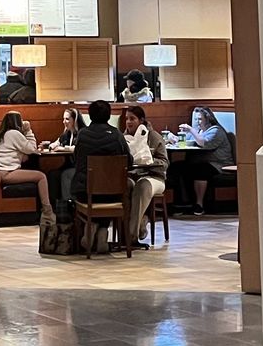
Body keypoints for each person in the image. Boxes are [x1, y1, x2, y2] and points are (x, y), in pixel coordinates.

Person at [121, 105, 169, 248]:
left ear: (141, 120)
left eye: (132, 119)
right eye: (126, 119)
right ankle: (140, 222)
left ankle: (131, 236)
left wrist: (149, 161)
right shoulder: (124, 138)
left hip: (155, 177)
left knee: (142, 186)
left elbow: (165, 163)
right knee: (125, 184)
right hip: (133, 176)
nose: (129, 122)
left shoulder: (153, 137)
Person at [67, 99, 129, 205]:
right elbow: (128, 161)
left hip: (85, 193)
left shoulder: (82, 135)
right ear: (109, 116)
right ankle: (125, 220)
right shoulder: (117, 135)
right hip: (114, 193)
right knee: (130, 185)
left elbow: (76, 160)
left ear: (90, 116)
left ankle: (89, 220)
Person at [0, 112, 51, 223]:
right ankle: (47, 211)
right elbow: (32, 149)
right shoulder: (14, 133)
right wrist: (28, 131)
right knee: (41, 176)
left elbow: (19, 153)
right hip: (7, 172)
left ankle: (46, 211)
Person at [176, 106, 235, 215]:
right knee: (178, 167)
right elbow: (187, 140)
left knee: (200, 170)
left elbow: (204, 143)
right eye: (196, 119)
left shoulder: (216, 131)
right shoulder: (199, 130)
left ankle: (199, 204)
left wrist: (191, 130)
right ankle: (183, 203)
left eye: (199, 119)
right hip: (204, 162)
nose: (197, 122)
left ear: (208, 119)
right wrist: (173, 138)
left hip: (219, 164)